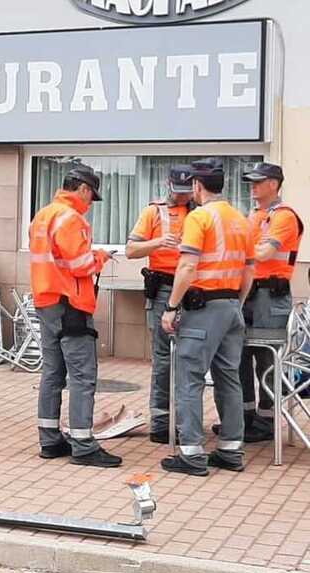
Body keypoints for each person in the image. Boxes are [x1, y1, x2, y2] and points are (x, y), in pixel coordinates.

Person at [160, 158, 255, 476]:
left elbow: (187, 267)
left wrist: (172, 307)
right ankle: (230, 450)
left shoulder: (199, 217)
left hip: (203, 310)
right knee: (229, 378)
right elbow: (249, 269)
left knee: (189, 377)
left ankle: (191, 453)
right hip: (230, 307)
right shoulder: (241, 219)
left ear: (198, 186)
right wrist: (236, 304)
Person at [30, 164, 122, 468]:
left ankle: (49, 437)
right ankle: (83, 443)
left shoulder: (43, 215)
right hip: (71, 305)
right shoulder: (72, 219)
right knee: (83, 375)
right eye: (90, 198)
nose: (90, 205)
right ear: (82, 189)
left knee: (53, 372)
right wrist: (101, 257)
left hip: (47, 301)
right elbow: (81, 265)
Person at [125, 166, 195, 444]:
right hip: (164, 286)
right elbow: (131, 250)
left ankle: (184, 421)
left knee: (188, 356)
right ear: (169, 185)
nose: (182, 196)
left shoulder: (200, 211)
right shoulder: (153, 212)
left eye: (187, 191)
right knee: (164, 357)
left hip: (193, 288)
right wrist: (157, 242)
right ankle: (161, 422)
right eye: (178, 191)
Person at [236, 163, 303, 442]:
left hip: (270, 297)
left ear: (273, 184)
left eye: (258, 181)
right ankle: (245, 417)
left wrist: (236, 250)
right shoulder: (255, 215)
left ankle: (267, 421)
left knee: (267, 358)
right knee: (240, 354)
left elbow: (263, 253)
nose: (252, 186)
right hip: (250, 292)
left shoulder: (284, 217)